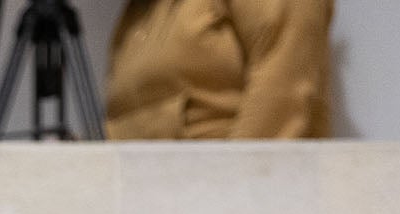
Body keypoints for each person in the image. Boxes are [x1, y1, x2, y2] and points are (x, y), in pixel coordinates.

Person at [107, 0, 334, 140]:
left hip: (225, 198)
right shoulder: (138, 11)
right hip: (143, 199)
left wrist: (233, 199)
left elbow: (282, 94)